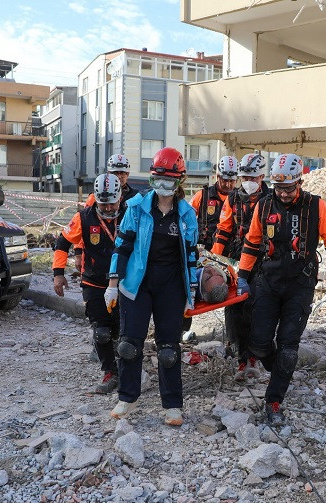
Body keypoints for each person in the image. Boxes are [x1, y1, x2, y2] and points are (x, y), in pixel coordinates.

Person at [236, 153, 326, 426]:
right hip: (267, 281)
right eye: (279, 188)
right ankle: (280, 367)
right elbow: (252, 242)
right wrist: (243, 276)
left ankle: (274, 401)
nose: (284, 193)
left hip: (300, 284)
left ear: (299, 183)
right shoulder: (265, 206)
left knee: (289, 348)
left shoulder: (316, 206)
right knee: (259, 343)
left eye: (289, 188)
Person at [105, 147, 199, 427]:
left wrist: (191, 293)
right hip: (137, 284)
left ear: (179, 182)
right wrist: (112, 283)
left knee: (169, 348)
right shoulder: (136, 209)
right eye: (158, 179)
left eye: (169, 181)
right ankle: (127, 397)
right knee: (128, 345)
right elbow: (121, 247)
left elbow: (192, 256)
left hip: (171, 287)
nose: (163, 186)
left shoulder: (186, 215)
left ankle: (172, 405)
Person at [53, 174, 124, 393]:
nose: (109, 208)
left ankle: (128, 369)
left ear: (120, 197)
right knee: (101, 331)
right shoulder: (84, 217)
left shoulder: (131, 215)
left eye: (112, 202)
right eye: (103, 203)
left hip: (124, 284)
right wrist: (58, 273)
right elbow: (62, 241)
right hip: (93, 282)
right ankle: (110, 372)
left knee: (123, 332)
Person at [211, 152, 272, 381]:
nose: (248, 182)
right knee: (235, 308)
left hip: (264, 260)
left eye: (253, 178)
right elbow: (224, 231)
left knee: (258, 307)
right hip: (236, 257)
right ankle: (241, 359)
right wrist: (214, 262)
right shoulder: (233, 199)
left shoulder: (272, 198)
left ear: (262, 176)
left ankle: (256, 356)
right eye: (244, 177)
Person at [190, 155, 237, 250]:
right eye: (225, 180)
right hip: (205, 250)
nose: (228, 185)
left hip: (231, 251)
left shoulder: (239, 198)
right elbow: (186, 219)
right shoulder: (203, 195)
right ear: (218, 177)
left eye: (232, 181)